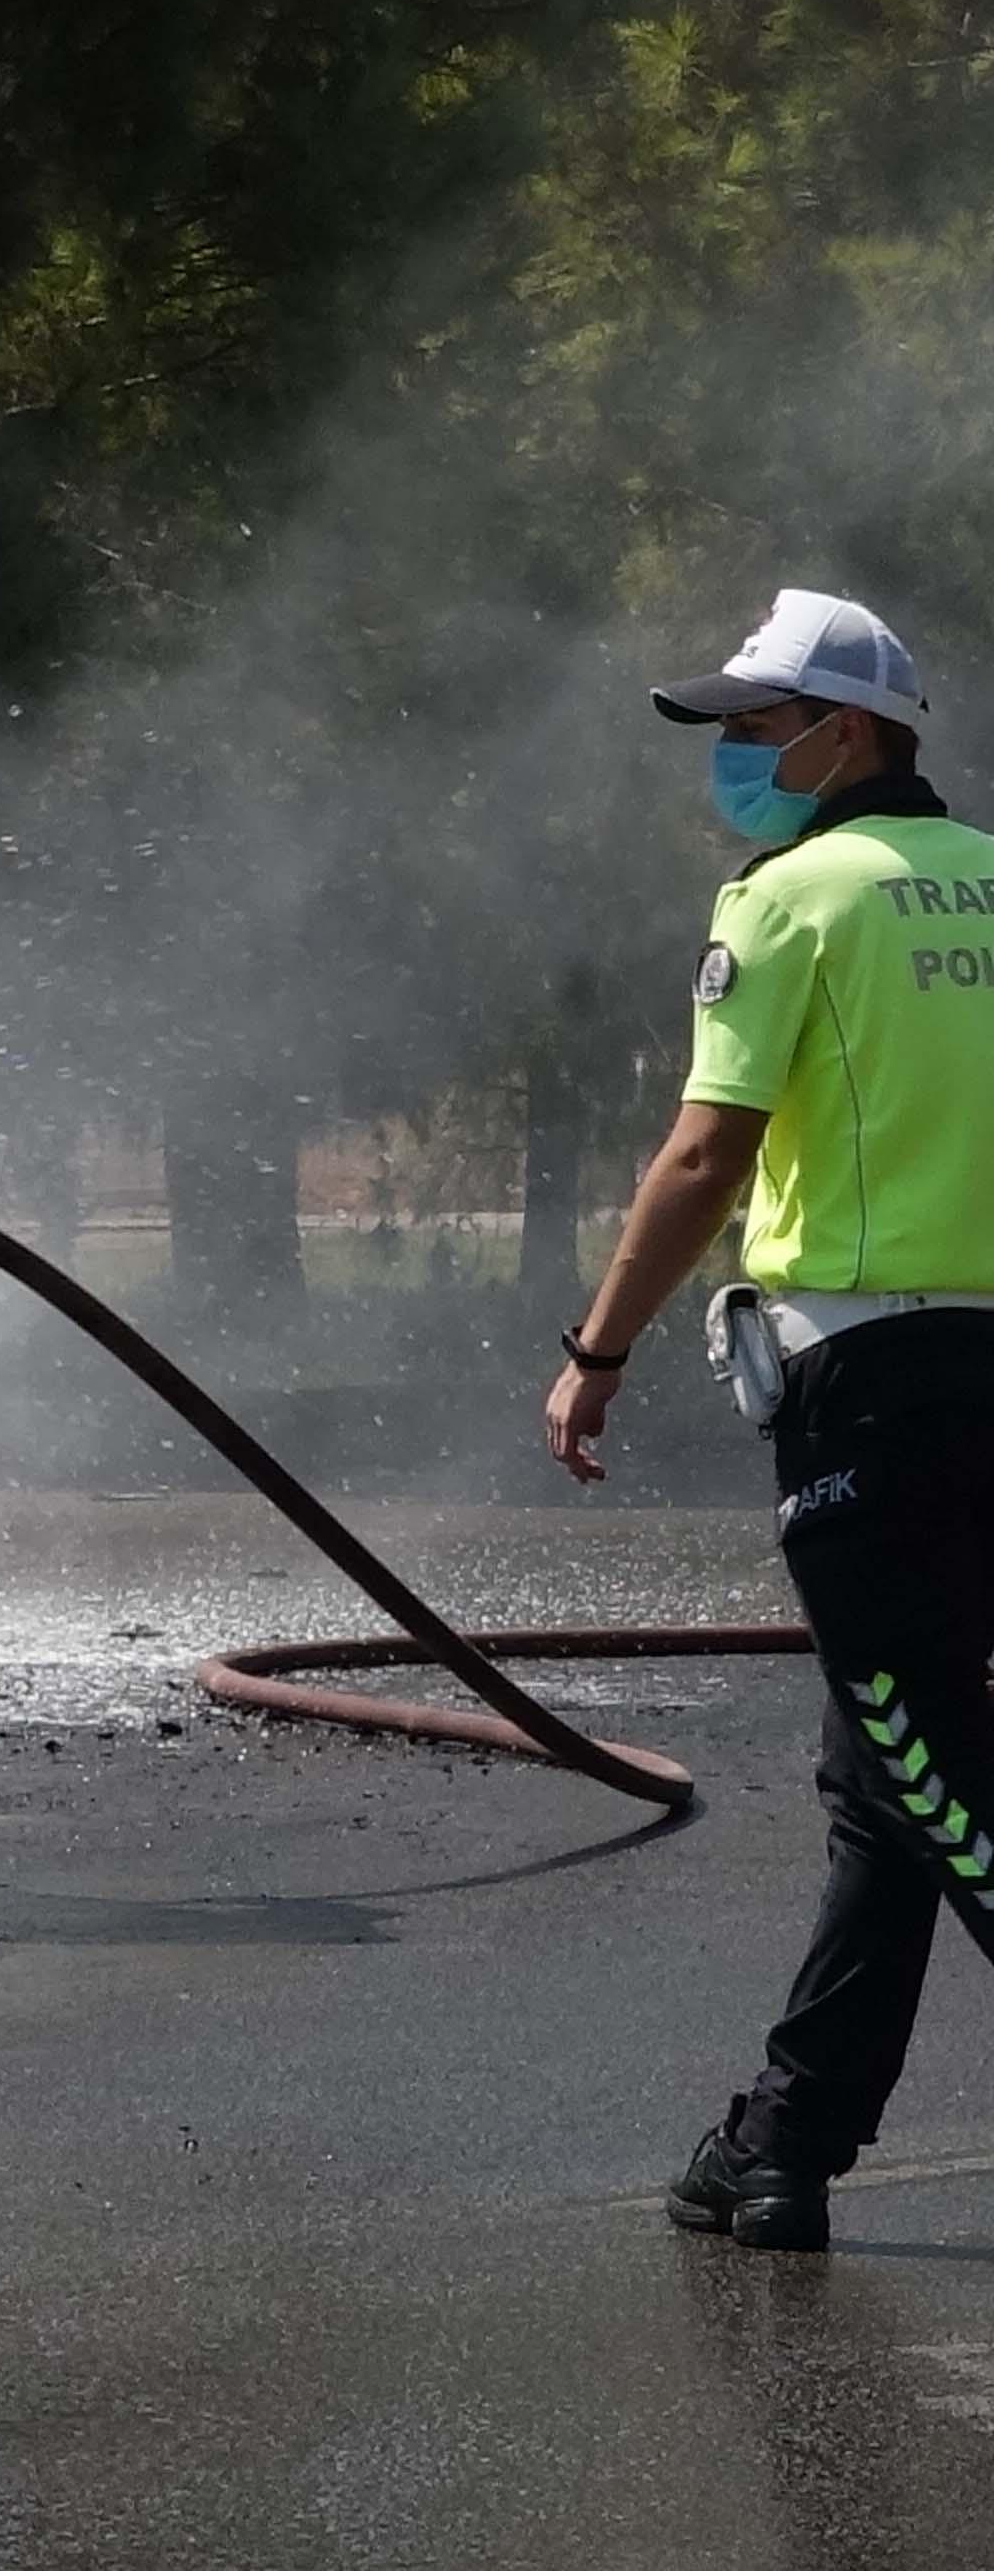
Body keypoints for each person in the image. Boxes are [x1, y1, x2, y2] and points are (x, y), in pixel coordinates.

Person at [544, 588, 994, 2255]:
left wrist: (591, 1347)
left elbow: (700, 1152)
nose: (735, 756)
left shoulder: (791, 895)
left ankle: (784, 2134)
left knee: (932, 1763)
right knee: (880, 1772)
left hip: (865, 1383)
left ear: (849, 732)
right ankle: (778, 2140)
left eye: (758, 724)